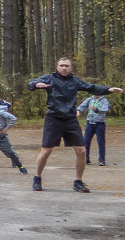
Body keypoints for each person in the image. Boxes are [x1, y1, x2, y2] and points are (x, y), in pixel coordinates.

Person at [28, 58, 121, 192]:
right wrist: (37, 85)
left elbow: (92, 88)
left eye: (67, 66)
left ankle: (78, 181)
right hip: (53, 118)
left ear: (71, 68)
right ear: (57, 67)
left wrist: (108, 89)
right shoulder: (49, 78)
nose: (64, 68)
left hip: (70, 119)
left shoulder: (75, 81)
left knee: (81, 150)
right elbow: (32, 83)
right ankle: (37, 177)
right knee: (46, 150)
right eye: (61, 66)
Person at [78, 93, 111, 167]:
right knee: (86, 141)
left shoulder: (104, 100)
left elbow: (105, 109)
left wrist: (96, 109)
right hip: (90, 123)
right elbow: (82, 105)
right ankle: (86, 158)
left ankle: (101, 159)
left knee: (101, 142)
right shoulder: (90, 99)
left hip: (100, 124)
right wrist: (78, 111)